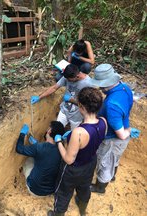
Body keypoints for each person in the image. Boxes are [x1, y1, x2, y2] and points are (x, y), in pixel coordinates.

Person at [47, 87, 107, 216]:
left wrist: (58, 142)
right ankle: (82, 208)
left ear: (81, 107)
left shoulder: (78, 132)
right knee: (84, 187)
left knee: (63, 191)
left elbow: (69, 159)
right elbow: (95, 139)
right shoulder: (103, 122)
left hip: (73, 169)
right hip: (90, 162)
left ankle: (58, 213)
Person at [90, 63, 141, 194]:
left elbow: (122, 135)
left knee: (105, 163)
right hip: (121, 132)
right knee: (114, 159)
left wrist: (129, 130)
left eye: (101, 84)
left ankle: (100, 188)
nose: (100, 87)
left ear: (106, 83)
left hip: (113, 139)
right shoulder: (125, 87)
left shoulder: (112, 105)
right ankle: (112, 176)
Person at [31, 64, 93, 130]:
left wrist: (71, 100)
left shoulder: (88, 84)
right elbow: (54, 88)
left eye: (69, 80)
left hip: (76, 116)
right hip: (64, 110)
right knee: (56, 130)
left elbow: (87, 104)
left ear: (77, 76)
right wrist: (39, 97)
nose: (67, 81)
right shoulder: (67, 77)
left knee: (73, 133)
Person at [16, 121, 65, 196]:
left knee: (29, 160)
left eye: (49, 127)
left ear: (49, 131)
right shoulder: (62, 150)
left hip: (34, 189)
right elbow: (48, 153)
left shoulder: (39, 147)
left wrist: (22, 134)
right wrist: (37, 145)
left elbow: (19, 149)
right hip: (51, 189)